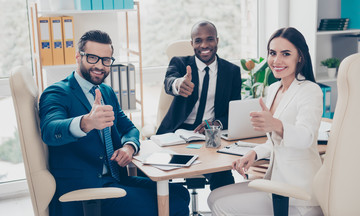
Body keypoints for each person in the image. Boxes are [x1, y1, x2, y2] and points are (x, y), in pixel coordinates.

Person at [39, 30, 190, 216]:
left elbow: (129, 128)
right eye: (93, 58)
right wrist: (86, 122)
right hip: (87, 191)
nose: (100, 66)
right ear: (78, 57)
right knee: (175, 205)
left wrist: (129, 147)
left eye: (106, 60)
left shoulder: (106, 91)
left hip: (115, 179)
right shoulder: (57, 92)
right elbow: (50, 130)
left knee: (179, 193)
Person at [207, 27, 324, 216]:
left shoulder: (310, 90)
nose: (277, 61)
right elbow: (274, 142)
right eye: (272, 53)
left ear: (300, 56)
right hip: (276, 184)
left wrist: (275, 124)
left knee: (222, 206)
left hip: (299, 193)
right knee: (213, 197)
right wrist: (253, 153)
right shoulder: (274, 88)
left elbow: (306, 138)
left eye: (286, 54)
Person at [157, 20, 242, 190]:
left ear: (217, 40)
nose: (204, 45)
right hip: (179, 133)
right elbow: (169, 81)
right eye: (198, 40)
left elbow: (234, 111)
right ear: (192, 43)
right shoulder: (180, 63)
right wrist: (178, 84)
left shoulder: (232, 71)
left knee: (224, 178)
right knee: (154, 173)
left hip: (210, 134)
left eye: (209, 39)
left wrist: (217, 123)